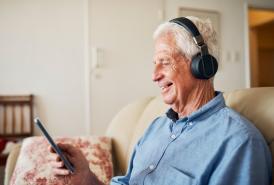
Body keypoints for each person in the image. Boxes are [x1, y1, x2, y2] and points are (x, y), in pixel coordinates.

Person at [49, 16, 272, 185]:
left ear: (201, 65)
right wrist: (87, 177)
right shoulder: (156, 128)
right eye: (154, 64)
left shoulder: (239, 142)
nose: (154, 75)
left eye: (164, 62)